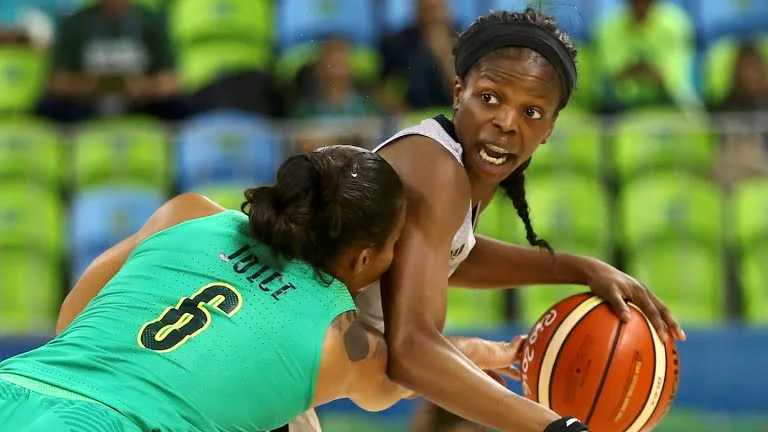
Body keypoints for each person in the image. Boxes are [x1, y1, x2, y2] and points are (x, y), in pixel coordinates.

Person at [283, 8, 686, 432]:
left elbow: (449, 254)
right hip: (262, 357)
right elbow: (412, 352)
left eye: (531, 113)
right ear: (459, 92)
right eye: (490, 98)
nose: (506, 123)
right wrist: (552, 427)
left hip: (270, 362)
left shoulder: (449, 168)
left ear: (550, 128)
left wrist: (583, 269)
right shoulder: (435, 168)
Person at [0, 146, 521, 431]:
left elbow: (73, 317)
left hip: (17, 387)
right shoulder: (341, 340)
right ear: (365, 258)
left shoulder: (189, 213)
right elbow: (405, 374)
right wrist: (485, 350)